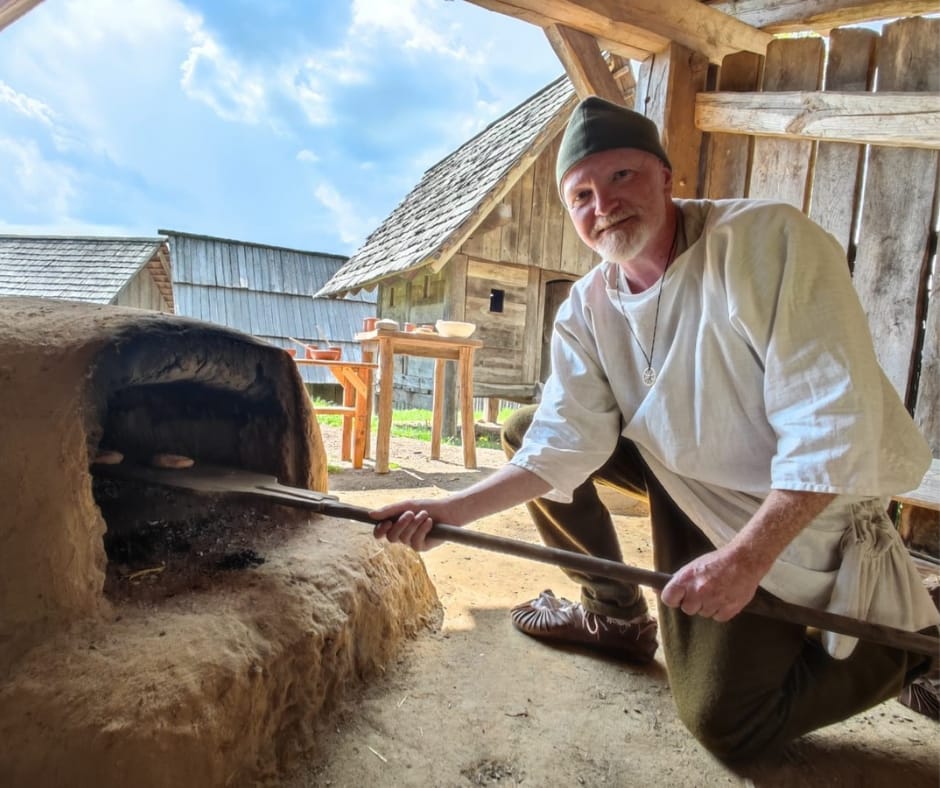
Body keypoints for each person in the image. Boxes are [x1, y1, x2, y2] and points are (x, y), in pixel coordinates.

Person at [370, 96, 940, 759]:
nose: (604, 205)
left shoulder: (765, 243)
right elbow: (561, 442)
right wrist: (451, 510)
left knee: (727, 722)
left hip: (783, 502)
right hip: (681, 474)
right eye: (582, 195)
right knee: (528, 428)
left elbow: (829, 424)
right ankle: (614, 614)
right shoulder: (587, 309)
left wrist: (746, 559)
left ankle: (914, 647)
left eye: (622, 177)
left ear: (667, 177)